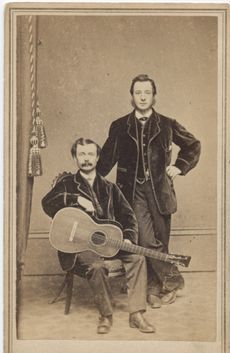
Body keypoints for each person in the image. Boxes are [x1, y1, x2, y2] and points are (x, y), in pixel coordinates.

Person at [97, 74, 201, 308]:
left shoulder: (167, 123)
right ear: (131, 96)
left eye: (147, 93)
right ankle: (174, 281)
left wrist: (179, 166)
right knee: (144, 239)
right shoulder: (120, 125)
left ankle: (154, 289)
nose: (142, 97)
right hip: (132, 193)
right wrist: (86, 179)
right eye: (138, 93)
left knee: (160, 241)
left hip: (161, 192)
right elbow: (105, 160)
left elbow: (193, 145)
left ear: (154, 96)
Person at [42, 137, 155, 334]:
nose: (86, 159)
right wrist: (75, 198)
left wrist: (128, 237)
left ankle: (136, 314)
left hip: (108, 243)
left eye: (90, 154)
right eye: (81, 154)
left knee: (138, 257)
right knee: (96, 265)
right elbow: (47, 202)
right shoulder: (68, 184)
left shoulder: (110, 188)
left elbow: (129, 217)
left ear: (97, 158)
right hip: (78, 247)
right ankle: (106, 315)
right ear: (74, 158)